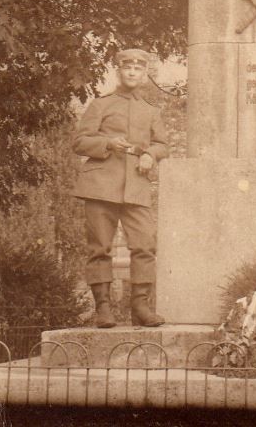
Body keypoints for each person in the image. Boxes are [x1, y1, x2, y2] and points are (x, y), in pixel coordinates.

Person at [73, 48, 169, 328]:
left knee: (144, 245)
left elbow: (163, 144)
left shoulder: (151, 111)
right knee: (100, 248)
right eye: (127, 68)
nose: (132, 72)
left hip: (136, 186)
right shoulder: (101, 105)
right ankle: (103, 308)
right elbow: (79, 142)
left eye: (138, 69)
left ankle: (140, 307)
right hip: (100, 184)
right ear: (119, 71)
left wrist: (151, 154)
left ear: (144, 74)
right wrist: (106, 143)